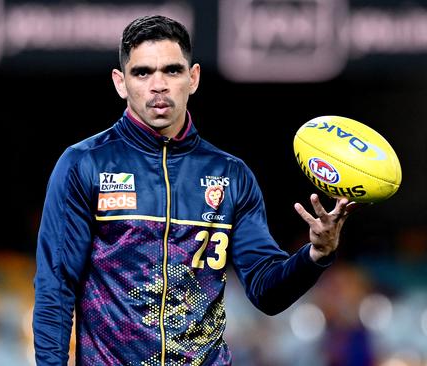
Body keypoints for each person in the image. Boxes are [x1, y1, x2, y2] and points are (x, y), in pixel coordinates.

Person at [33, 14, 358, 366]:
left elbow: (267, 292)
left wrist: (316, 254)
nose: (158, 84)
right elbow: (55, 288)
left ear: (193, 78)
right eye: (142, 72)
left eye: (172, 70)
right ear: (120, 83)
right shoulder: (84, 165)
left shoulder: (231, 175)